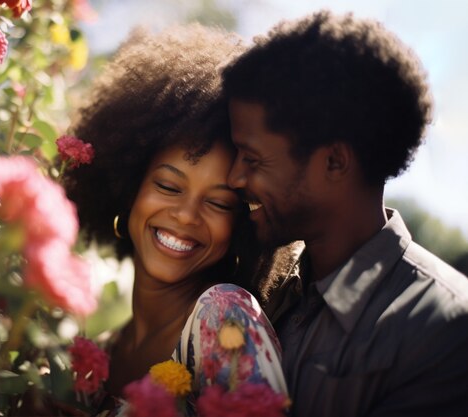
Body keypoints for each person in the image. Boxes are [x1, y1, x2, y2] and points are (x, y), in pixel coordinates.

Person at [222, 10, 468, 417]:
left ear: (334, 162)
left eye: (252, 159)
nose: (234, 178)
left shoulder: (443, 328)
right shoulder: (266, 289)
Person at [63, 24, 288, 415]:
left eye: (218, 203)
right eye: (168, 186)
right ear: (128, 187)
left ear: (240, 226)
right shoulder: (98, 348)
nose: (185, 215)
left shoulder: (224, 317)